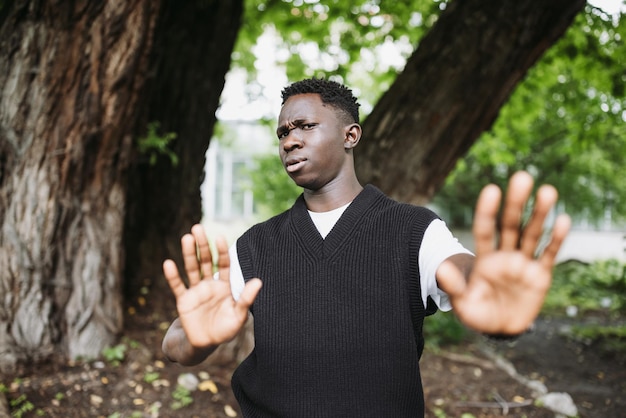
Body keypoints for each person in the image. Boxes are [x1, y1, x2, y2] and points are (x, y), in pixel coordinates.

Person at [161, 78, 571, 417]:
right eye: (283, 133)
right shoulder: (255, 245)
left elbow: (462, 272)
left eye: (304, 126)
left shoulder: (414, 231)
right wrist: (194, 340)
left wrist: (490, 289)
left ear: (350, 134)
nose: (289, 141)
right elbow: (177, 343)